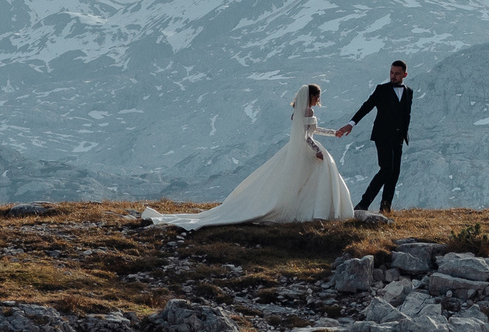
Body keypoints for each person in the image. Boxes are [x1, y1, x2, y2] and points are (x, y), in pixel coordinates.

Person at [143, 84, 353, 227]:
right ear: (312, 97)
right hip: (307, 149)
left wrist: (332, 133)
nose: (318, 100)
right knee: (315, 178)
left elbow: (309, 131)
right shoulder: (308, 112)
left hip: (297, 149)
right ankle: (316, 212)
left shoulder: (299, 112)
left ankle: (309, 210)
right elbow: (307, 136)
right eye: (318, 97)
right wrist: (317, 150)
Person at [346, 59, 414, 212]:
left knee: (394, 173)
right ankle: (363, 204)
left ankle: (385, 208)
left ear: (405, 75)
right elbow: (366, 106)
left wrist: (404, 134)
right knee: (386, 169)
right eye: (391, 72)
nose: (393, 76)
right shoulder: (381, 90)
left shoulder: (409, 91)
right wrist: (351, 123)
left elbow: (407, 114)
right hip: (382, 135)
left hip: (398, 138)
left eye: (397, 74)